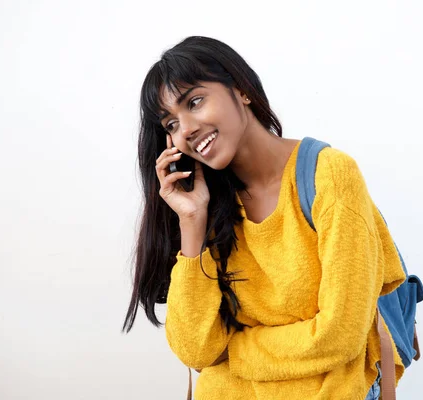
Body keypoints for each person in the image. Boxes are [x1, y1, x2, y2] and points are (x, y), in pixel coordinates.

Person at [122, 36, 406, 399]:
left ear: (241, 89)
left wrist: (235, 352)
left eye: (195, 102)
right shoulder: (209, 205)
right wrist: (191, 221)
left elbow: (340, 335)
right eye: (171, 124)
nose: (186, 129)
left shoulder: (329, 175)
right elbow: (196, 351)